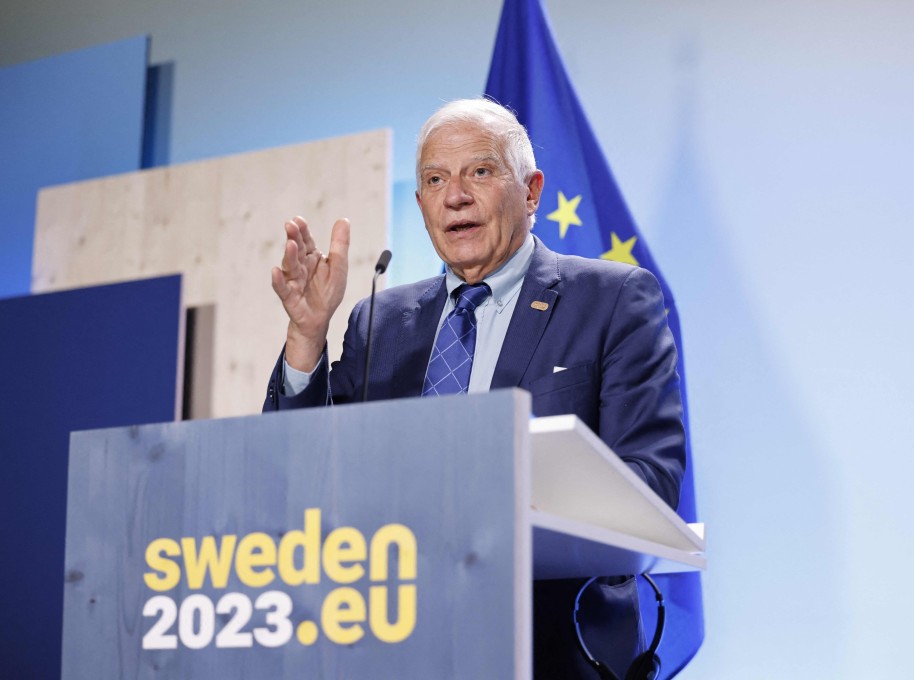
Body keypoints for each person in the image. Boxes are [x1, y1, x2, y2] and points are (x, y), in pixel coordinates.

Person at [263, 98, 685, 679]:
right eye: (435, 180)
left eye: (480, 172)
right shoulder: (379, 321)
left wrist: (499, 494)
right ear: (421, 205)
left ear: (532, 192)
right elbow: (302, 467)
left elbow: (651, 479)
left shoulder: (612, 301)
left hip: (554, 647)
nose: (454, 195)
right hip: (393, 642)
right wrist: (307, 336)